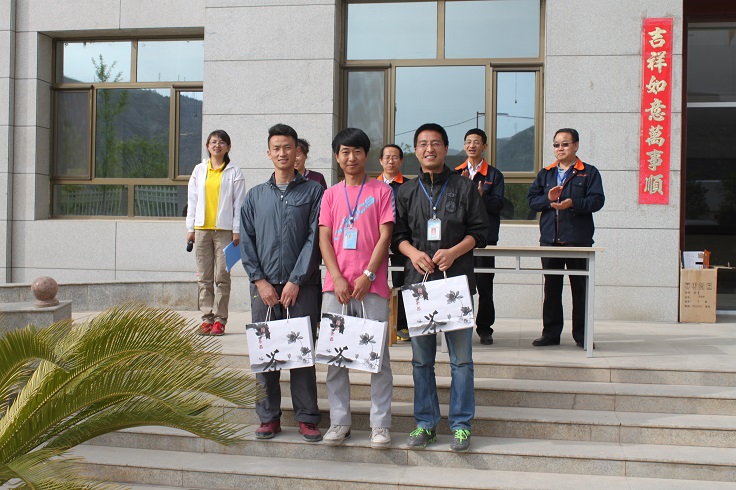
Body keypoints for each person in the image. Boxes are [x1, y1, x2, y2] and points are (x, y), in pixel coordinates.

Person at [392, 123, 489, 453]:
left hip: (455, 284)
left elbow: (481, 231)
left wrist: (454, 252)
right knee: (422, 361)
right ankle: (426, 424)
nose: (429, 149)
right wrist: (413, 253)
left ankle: (461, 425)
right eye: (422, 144)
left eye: (435, 143)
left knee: (461, 360)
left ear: (446, 149)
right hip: (419, 285)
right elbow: (397, 236)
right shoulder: (405, 191)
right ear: (416, 151)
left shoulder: (464, 187)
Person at [240, 123, 324, 442]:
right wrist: (259, 281)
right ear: (269, 153)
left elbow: (314, 239)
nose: (282, 153)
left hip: (301, 288)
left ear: (297, 151)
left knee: (301, 353)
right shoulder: (255, 196)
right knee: (266, 354)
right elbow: (246, 241)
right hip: (263, 289)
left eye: (288, 147)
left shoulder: (313, 192)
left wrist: (296, 280)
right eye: (276, 148)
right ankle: (268, 417)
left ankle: (307, 417)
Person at [319, 128, 394, 449]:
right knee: (335, 357)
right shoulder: (330, 194)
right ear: (337, 157)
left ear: (366, 155)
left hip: (371, 287)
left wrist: (368, 274)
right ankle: (340, 422)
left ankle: (380, 425)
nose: (351, 158)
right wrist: (336, 277)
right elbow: (324, 238)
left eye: (357, 152)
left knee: (378, 358)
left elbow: (385, 236)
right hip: (335, 289)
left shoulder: (382, 191)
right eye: (345, 152)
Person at [527, 128, 605, 348]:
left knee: (580, 289)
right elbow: (532, 201)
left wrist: (573, 203)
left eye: (565, 144)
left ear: (576, 146)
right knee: (551, 289)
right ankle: (551, 334)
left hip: (577, 240)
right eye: (556, 145)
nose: (560, 148)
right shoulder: (546, 173)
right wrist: (547, 199)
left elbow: (597, 200)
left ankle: (582, 336)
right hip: (550, 240)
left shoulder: (588, 172)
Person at [186, 130, 245, 336]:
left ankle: (220, 320)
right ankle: (206, 318)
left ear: (228, 147)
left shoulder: (234, 172)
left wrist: (237, 230)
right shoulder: (199, 170)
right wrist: (190, 228)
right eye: (213, 142)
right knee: (204, 276)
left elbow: (239, 205)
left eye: (221, 142)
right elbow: (192, 200)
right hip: (202, 229)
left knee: (222, 276)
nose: (217, 145)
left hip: (225, 230)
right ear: (207, 146)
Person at [455, 128, 505, 345]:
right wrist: (464, 191)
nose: (471, 145)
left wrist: (480, 197)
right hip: (459, 240)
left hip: (485, 238)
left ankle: (485, 328)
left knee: (485, 284)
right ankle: (460, 326)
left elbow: (499, 205)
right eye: (468, 142)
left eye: (476, 142)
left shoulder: (494, 175)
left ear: (484, 146)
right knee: (460, 284)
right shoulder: (456, 173)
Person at [377, 144, 409, 341]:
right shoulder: (372, 185)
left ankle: (402, 325)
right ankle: (377, 322)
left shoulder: (408, 186)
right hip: (376, 240)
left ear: (401, 161)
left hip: (400, 240)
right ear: (380, 161)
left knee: (401, 282)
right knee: (376, 279)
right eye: (387, 157)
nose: (391, 161)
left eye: (395, 157)